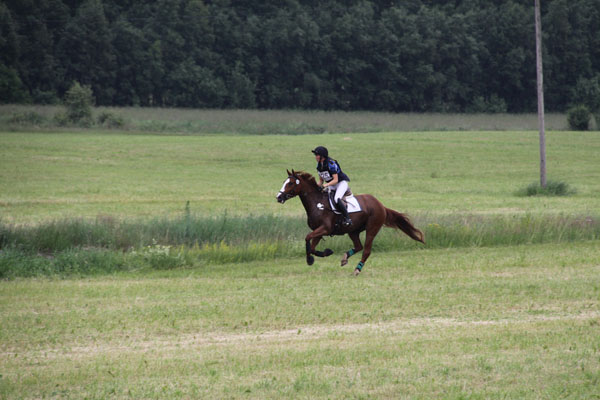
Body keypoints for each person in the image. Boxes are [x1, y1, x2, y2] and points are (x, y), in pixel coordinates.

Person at [311, 146, 352, 227]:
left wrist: (325, 185)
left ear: (322, 156)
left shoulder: (331, 164)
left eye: (317, 155)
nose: (315, 157)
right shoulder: (319, 166)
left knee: (337, 199)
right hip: (331, 185)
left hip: (340, 183)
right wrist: (314, 187)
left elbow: (335, 180)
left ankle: (347, 218)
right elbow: (320, 181)